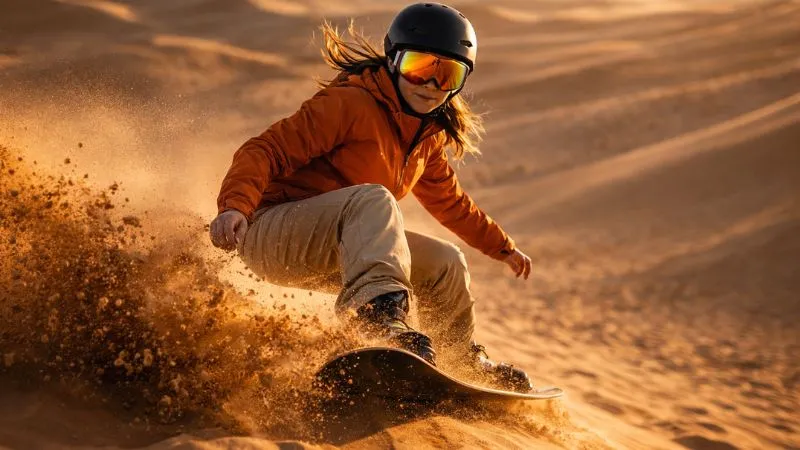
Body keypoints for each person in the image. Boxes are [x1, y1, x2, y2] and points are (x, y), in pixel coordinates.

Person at [210, 2, 533, 392]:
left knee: (446, 263)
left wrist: (503, 248)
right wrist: (234, 207)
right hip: (269, 232)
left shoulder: (425, 137)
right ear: (393, 59)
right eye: (419, 67)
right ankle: (377, 320)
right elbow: (264, 150)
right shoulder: (350, 103)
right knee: (375, 201)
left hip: (336, 250)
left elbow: (451, 202)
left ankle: (458, 362)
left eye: (446, 74)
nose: (430, 85)